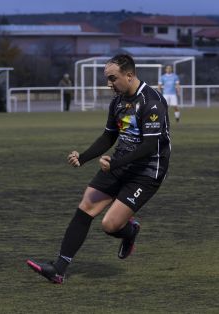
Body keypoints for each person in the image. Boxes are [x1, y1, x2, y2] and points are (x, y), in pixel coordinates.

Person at [26, 54, 171, 284]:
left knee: (110, 225)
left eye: (113, 78)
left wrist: (115, 163)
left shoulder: (151, 101)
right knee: (86, 206)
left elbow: (149, 146)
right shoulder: (118, 102)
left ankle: (130, 232)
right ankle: (59, 269)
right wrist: (83, 158)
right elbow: (109, 136)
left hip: (146, 172)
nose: (109, 84)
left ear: (129, 75)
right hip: (120, 163)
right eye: (107, 79)